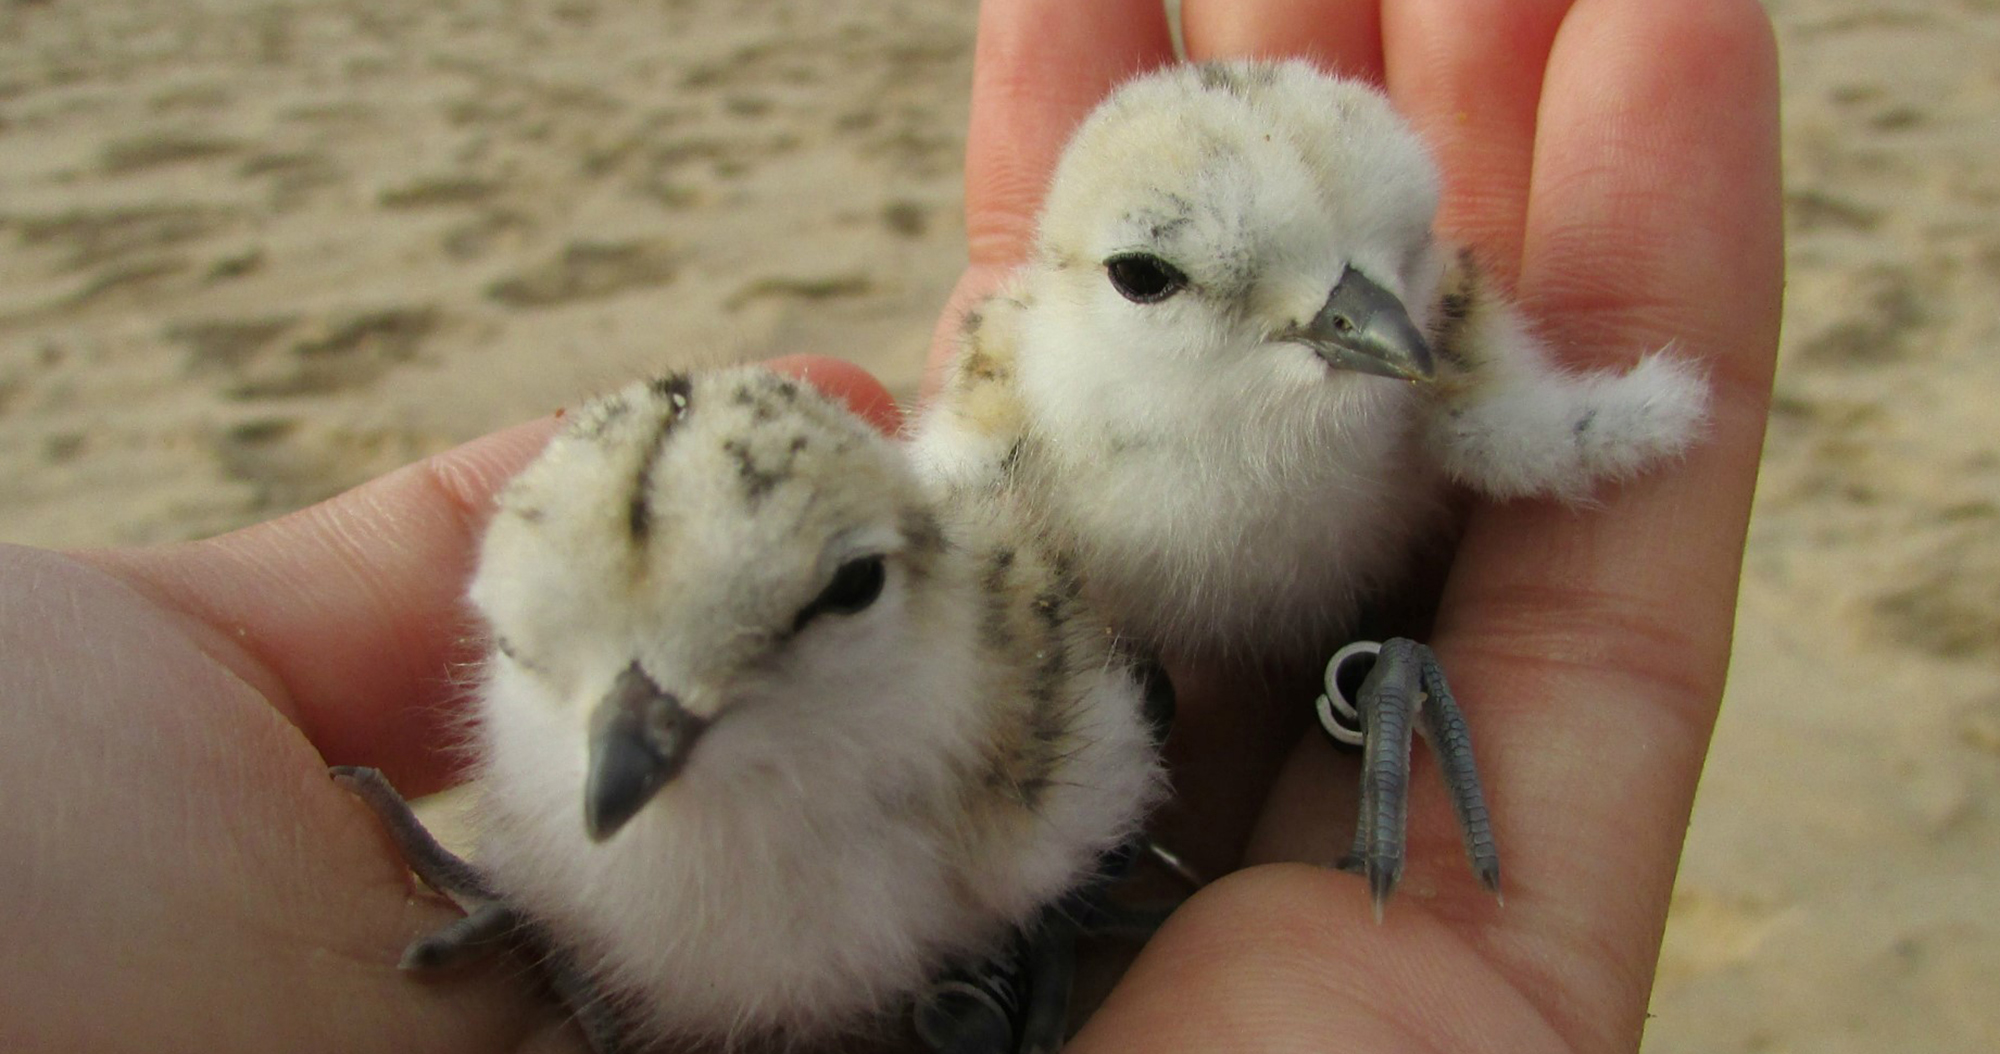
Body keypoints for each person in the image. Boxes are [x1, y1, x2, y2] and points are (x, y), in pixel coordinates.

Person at [0, 0, 1779, 1049]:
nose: (1371, 328)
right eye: (1168, 279)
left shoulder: (1388, 352)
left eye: (1394, 271)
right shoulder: (1003, 451)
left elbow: (1575, 422)